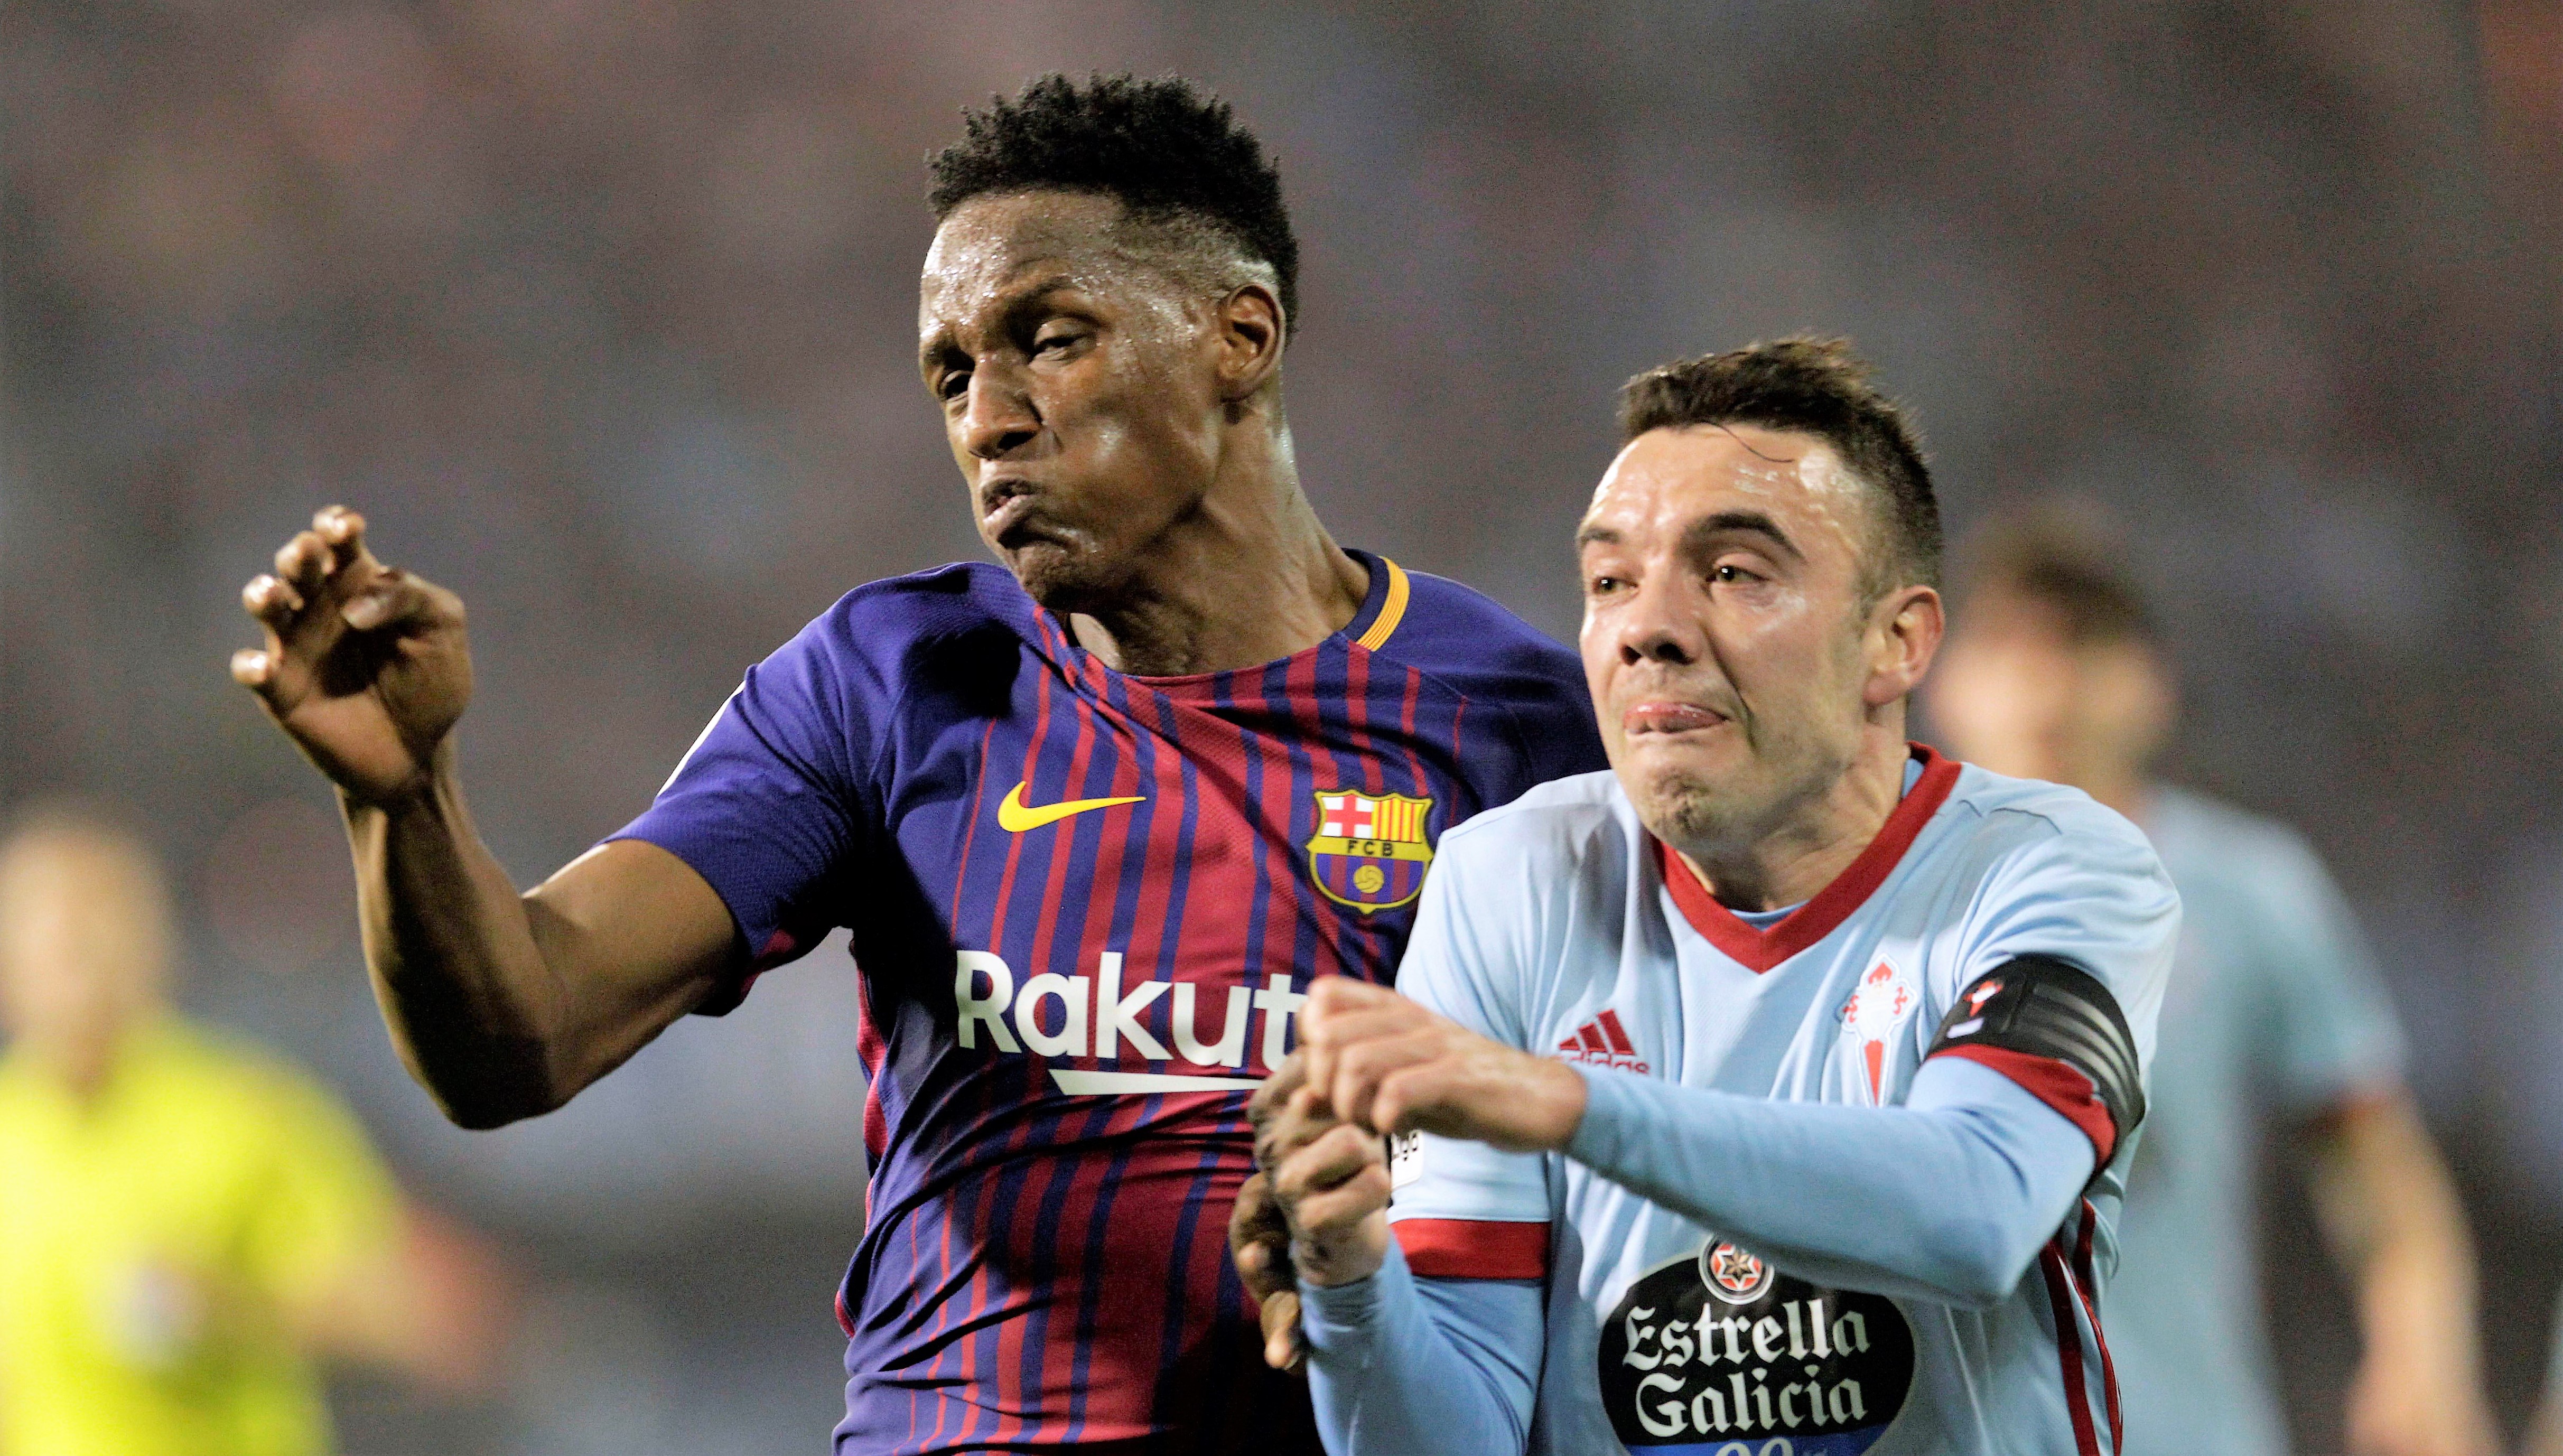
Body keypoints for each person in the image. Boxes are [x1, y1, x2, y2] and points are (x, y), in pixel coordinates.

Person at [227, 74, 1604, 1453]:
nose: (987, 416)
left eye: (1047, 341)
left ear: (1238, 336)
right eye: (950, 373)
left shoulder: (1522, 733)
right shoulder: (892, 682)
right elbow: (520, 1038)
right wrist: (402, 798)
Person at [1243, 337, 2182, 1455]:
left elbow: (1978, 1208)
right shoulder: (1508, 884)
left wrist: (1561, 1100)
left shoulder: (2055, 867)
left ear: (1895, 641)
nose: (1647, 626)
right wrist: (1352, 1283)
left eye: (1732, 572)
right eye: (1609, 581)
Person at [1922, 511, 2499, 1456]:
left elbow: (2376, 1171)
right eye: (2008, 646)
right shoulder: (1884, 899)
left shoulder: (2247, 890)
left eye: (2084, 645)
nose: (2047, 685)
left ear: (2153, 686)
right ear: (1941, 683)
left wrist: (2420, 1358)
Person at [0, 805, 507, 1456]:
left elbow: (409, 1308)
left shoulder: (249, 1112)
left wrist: (231, 1309)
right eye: (58, 938)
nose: (82, 962)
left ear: (156, 945)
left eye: (101, 931)